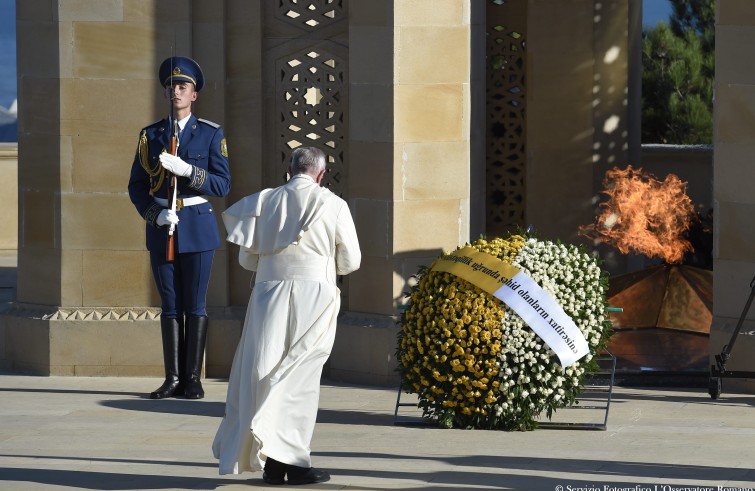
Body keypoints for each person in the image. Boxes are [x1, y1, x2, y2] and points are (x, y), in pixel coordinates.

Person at [212, 147, 360, 485]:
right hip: (315, 298)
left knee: (262, 372)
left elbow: (247, 261)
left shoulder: (263, 201)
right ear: (321, 175)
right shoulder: (334, 204)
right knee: (300, 378)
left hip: (268, 297)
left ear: (289, 171)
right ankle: (290, 462)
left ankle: (272, 462)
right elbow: (351, 261)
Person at [128, 56, 231, 400]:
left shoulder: (211, 134)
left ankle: (192, 378)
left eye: (183, 86)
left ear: (194, 95)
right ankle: (172, 378)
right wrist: (152, 215)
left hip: (198, 226)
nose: (176, 91)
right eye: (171, 86)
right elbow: (137, 186)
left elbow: (222, 185)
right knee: (170, 305)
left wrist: (189, 172)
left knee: (195, 305)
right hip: (163, 225)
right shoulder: (151, 135)